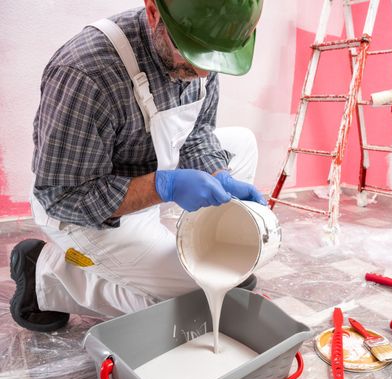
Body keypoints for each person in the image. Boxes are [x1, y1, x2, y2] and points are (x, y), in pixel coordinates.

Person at [10, 0, 265, 332]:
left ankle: (202, 244)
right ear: (153, 11)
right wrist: (164, 187)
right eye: (193, 53)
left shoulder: (205, 56)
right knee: (205, 297)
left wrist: (217, 173)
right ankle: (47, 278)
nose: (204, 72)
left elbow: (196, 130)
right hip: (84, 213)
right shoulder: (86, 73)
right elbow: (63, 197)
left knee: (242, 142)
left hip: (147, 170)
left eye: (215, 58)